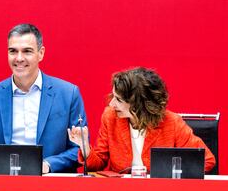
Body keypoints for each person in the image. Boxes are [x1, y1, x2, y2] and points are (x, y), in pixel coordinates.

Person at [0, 23, 87, 173]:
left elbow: (79, 149)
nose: (19, 58)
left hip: (52, 186)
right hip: (2, 184)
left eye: (27, 51)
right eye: (13, 51)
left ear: (41, 53)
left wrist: (48, 165)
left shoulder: (68, 94)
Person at [69, 67, 216, 173]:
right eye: (113, 96)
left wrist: (168, 172)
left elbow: (207, 160)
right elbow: (98, 164)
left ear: (140, 104)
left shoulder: (172, 123)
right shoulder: (110, 117)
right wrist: (85, 148)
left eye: (119, 100)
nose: (112, 104)